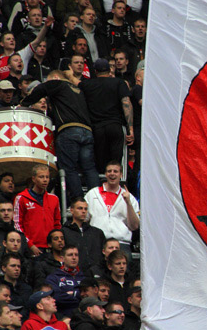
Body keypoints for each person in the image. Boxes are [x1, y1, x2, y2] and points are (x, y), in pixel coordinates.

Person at [20, 71, 100, 200]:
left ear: (55, 77)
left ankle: (78, 200)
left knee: (69, 168)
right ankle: (96, 200)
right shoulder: (79, 91)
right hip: (87, 132)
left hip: (69, 130)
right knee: (89, 168)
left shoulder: (58, 84)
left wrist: (23, 104)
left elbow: (41, 89)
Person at [79, 59, 133, 172]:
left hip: (96, 129)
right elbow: (126, 104)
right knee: (116, 163)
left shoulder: (85, 85)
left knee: (100, 165)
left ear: (95, 71)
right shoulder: (119, 83)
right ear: (110, 70)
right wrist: (130, 129)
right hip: (115, 126)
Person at [85, 161, 139, 255]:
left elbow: (134, 226)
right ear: (105, 174)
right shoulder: (92, 194)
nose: (112, 174)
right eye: (109, 171)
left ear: (121, 175)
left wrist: (128, 203)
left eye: (115, 171)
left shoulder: (129, 197)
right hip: (97, 242)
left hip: (121, 243)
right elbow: (83, 219)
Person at [13, 165, 61, 256]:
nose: (45, 180)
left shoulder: (54, 199)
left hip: (50, 248)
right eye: (41, 177)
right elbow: (17, 225)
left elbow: (57, 224)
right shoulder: (21, 198)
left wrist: (55, 243)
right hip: (31, 248)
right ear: (34, 179)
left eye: (47, 177)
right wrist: (30, 245)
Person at [45, 245, 85, 316]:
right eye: (70, 255)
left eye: (76, 255)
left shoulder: (84, 277)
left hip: (83, 315)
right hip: (62, 316)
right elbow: (56, 298)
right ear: (62, 258)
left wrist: (72, 294)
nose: (74, 258)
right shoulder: (53, 278)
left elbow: (89, 296)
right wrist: (79, 295)